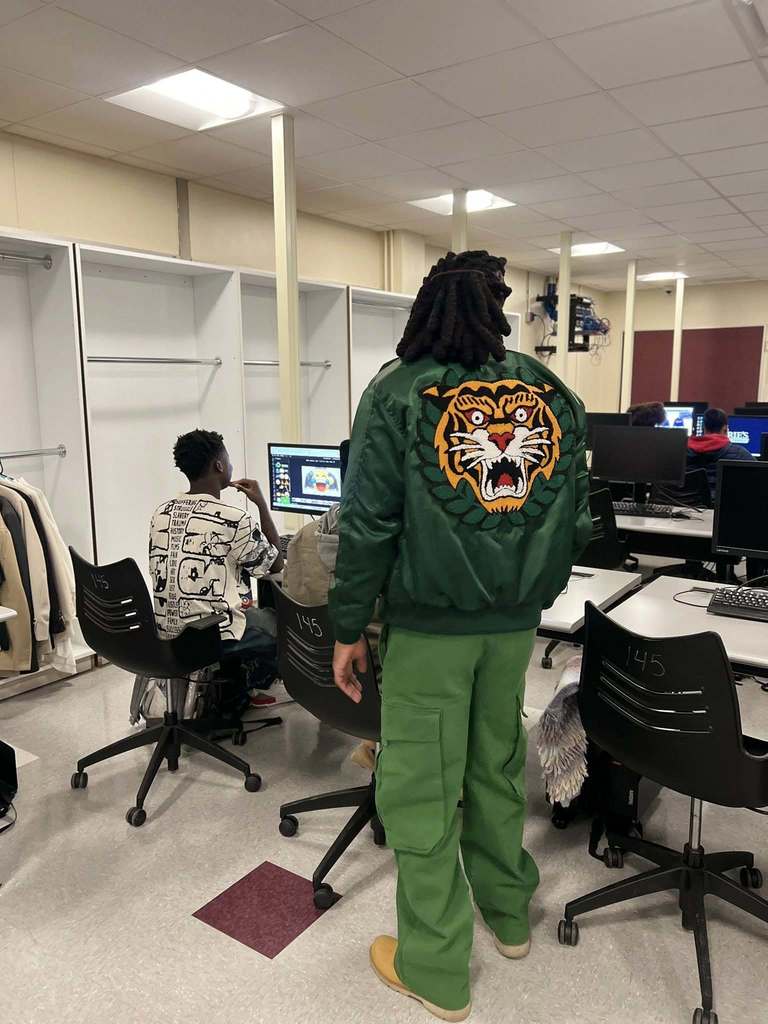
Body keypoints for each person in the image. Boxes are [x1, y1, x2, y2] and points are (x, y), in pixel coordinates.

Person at [329, 250, 592, 1021]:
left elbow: (367, 523)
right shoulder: (548, 389)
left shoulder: (398, 390)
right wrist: (530, 593)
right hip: (513, 630)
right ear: (496, 308)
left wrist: (349, 626)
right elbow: (578, 517)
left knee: (420, 786)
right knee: (496, 767)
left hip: (429, 628)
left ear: (426, 308)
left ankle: (436, 967)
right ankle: (509, 917)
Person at [283, 440, 378, 771]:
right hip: (375, 683)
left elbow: (294, 604)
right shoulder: (397, 548)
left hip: (315, 680)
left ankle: (371, 748)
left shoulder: (303, 537)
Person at [149, 429, 282, 656]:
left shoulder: (161, 513)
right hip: (215, 635)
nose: (231, 466)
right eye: (228, 460)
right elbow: (276, 565)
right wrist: (261, 504)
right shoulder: (234, 519)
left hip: (167, 633)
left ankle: (237, 679)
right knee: (277, 621)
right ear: (219, 466)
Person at [687, 407, 753, 499]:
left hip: (686, 504)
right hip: (725, 506)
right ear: (725, 428)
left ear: (704, 427)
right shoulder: (741, 454)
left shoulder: (682, 452)